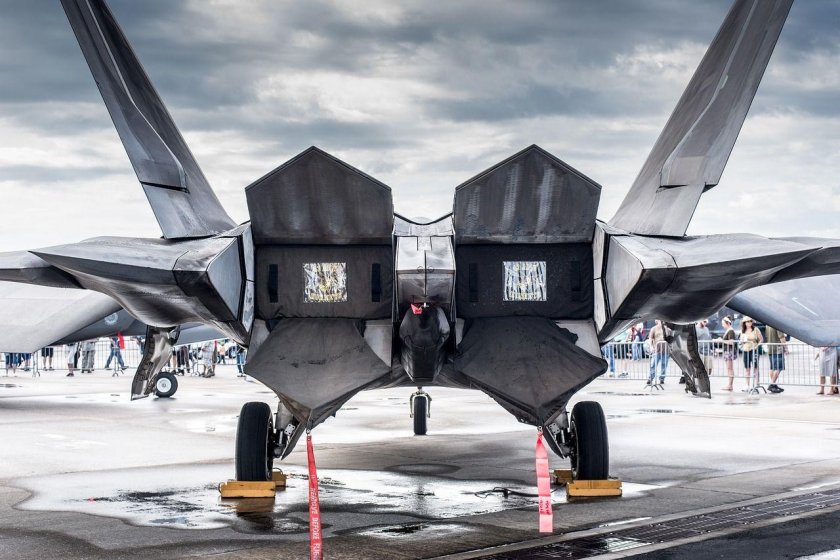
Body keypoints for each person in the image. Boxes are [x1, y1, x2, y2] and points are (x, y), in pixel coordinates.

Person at [739, 317, 763, 391]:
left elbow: (761, 339)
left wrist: (757, 346)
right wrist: (742, 342)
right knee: (747, 368)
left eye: (750, 321)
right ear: (744, 323)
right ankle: (747, 385)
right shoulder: (743, 331)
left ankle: (756, 383)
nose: (749, 323)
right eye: (747, 321)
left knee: (755, 367)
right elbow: (740, 341)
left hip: (754, 350)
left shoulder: (756, 329)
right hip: (746, 350)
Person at [764, 325, 787, 393]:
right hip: (778, 349)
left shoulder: (767, 325)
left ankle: (773, 384)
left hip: (770, 348)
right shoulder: (777, 325)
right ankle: (772, 384)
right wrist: (786, 348)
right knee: (778, 368)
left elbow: (766, 336)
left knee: (772, 367)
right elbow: (781, 337)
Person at [717, 316, 737, 391]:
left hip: (729, 351)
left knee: (730, 368)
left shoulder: (730, 331)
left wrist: (721, 341)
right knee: (729, 368)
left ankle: (730, 385)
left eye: (723, 324)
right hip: (727, 351)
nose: (722, 325)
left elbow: (731, 342)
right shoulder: (729, 330)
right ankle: (729, 385)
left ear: (728, 323)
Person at [647, 320, 670, 385]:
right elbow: (650, 338)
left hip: (666, 350)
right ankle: (650, 378)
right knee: (653, 365)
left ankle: (662, 379)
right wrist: (651, 347)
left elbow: (670, 338)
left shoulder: (667, 329)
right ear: (656, 321)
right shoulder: (653, 329)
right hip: (656, 350)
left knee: (664, 365)